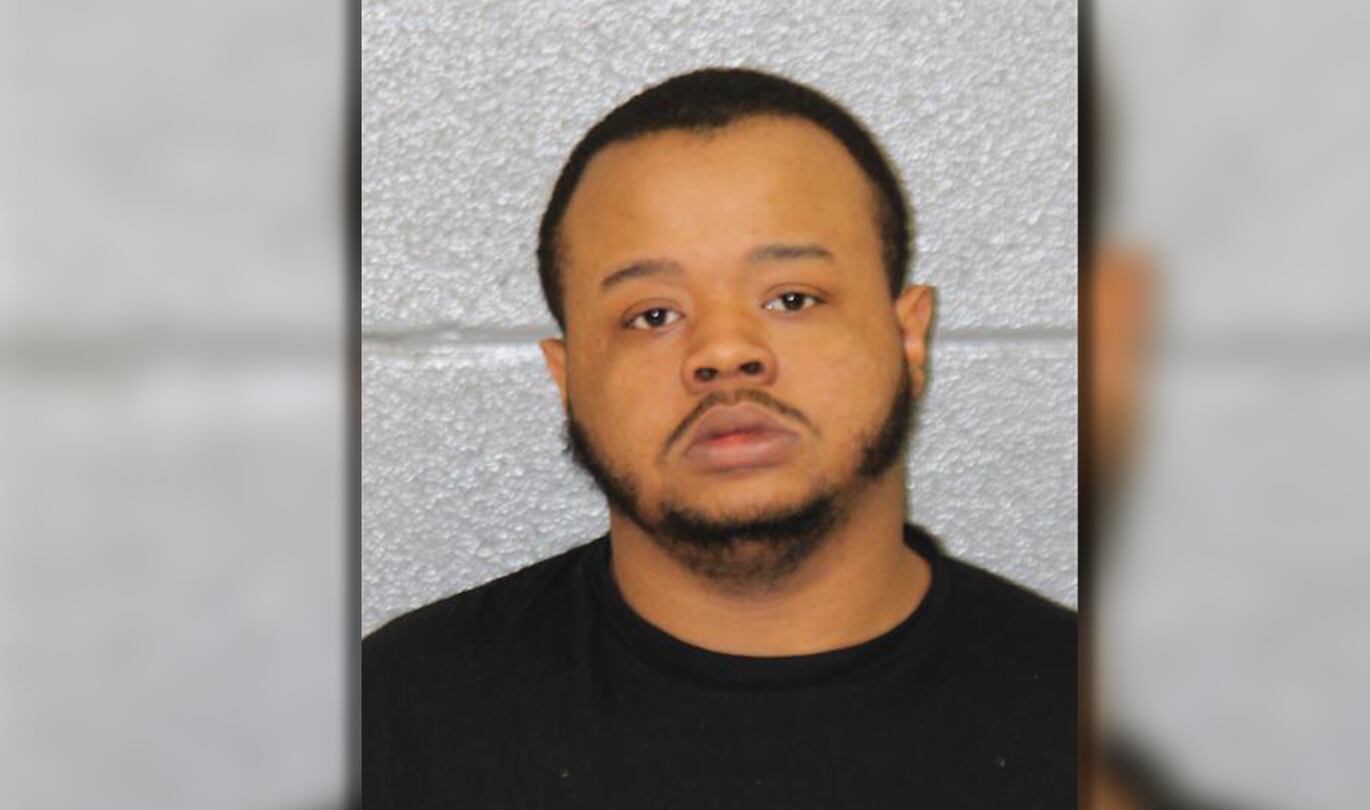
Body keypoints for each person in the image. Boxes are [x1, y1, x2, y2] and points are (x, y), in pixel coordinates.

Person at [363, 67, 1075, 808]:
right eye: (652, 316)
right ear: (567, 377)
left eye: (792, 298)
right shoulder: (390, 723)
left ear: (908, 339)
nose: (725, 352)